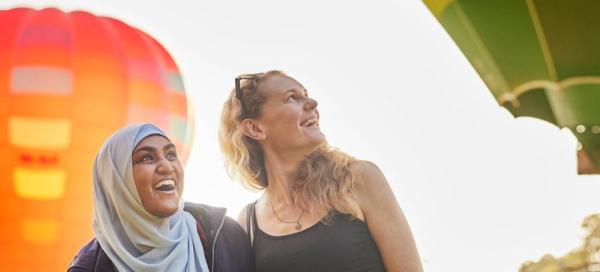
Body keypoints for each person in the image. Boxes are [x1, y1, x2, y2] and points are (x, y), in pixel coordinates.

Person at [219, 71, 423, 272]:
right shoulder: (248, 223)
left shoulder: (358, 179)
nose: (312, 103)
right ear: (255, 128)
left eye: (306, 94)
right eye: (292, 98)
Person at [68, 123, 253, 272]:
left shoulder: (225, 236)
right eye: (146, 158)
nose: (167, 167)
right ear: (116, 181)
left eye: (171, 154)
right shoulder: (89, 266)